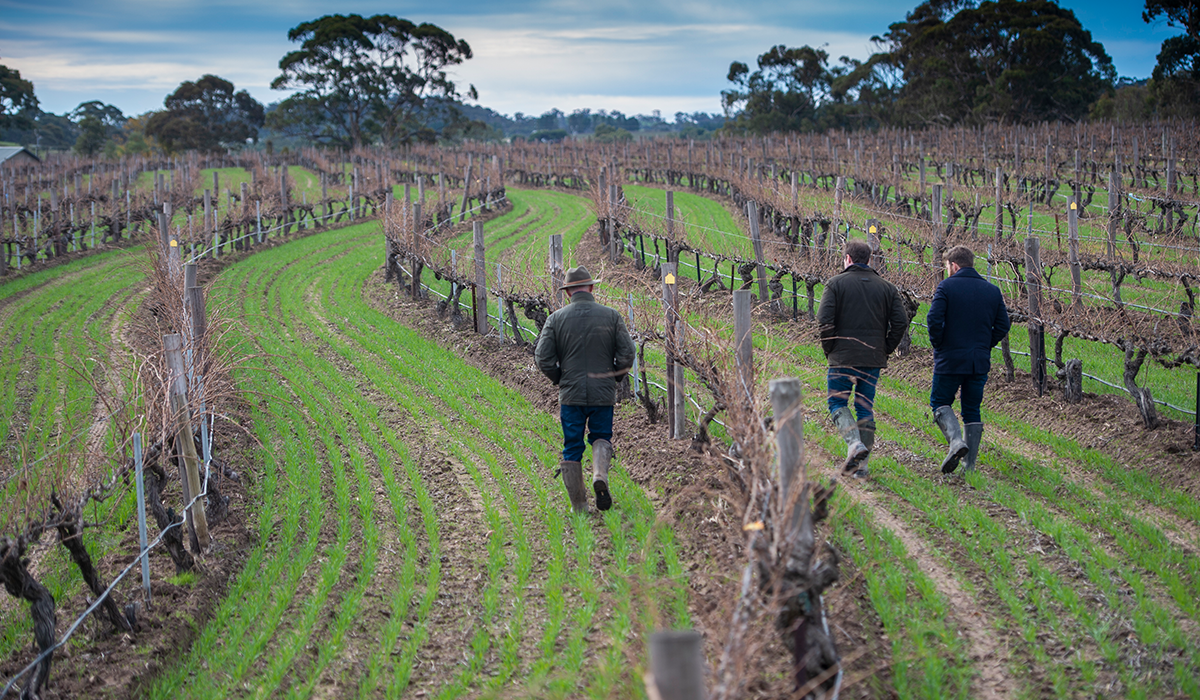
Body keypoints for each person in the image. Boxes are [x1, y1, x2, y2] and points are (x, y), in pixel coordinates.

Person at [535, 266, 636, 512]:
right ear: (591, 288)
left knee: (572, 445)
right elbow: (628, 353)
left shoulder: (555, 319)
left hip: (571, 394)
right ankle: (599, 475)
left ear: (568, 292)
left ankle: (579, 505)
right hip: (603, 392)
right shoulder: (611, 316)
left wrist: (560, 378)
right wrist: (615, 376)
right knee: (601, 436)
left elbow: (542, 357)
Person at [817, 239, 911, 478]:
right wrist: (885, 348)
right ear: (870, 260)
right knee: (864, 407)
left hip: (842, 357)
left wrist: (831, 349)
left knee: (837, 404)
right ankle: (863, 466)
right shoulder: (887, 287)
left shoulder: (835, 284)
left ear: (847, 259)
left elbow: (824, 321)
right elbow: (901, 322)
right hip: (872, 358)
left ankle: (853, 444)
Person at [926, 245, 1011, 473]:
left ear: (953, 265)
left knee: (940, 402)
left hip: (949, 359)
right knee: (972, 409)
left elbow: (933, 320)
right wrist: (984, 345)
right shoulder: (992, 291)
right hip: (978, 361)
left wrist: (940, 344)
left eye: (947, 266)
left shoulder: (946, 287)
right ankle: (969, 466)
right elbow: (1003, 325)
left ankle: (955, 442)